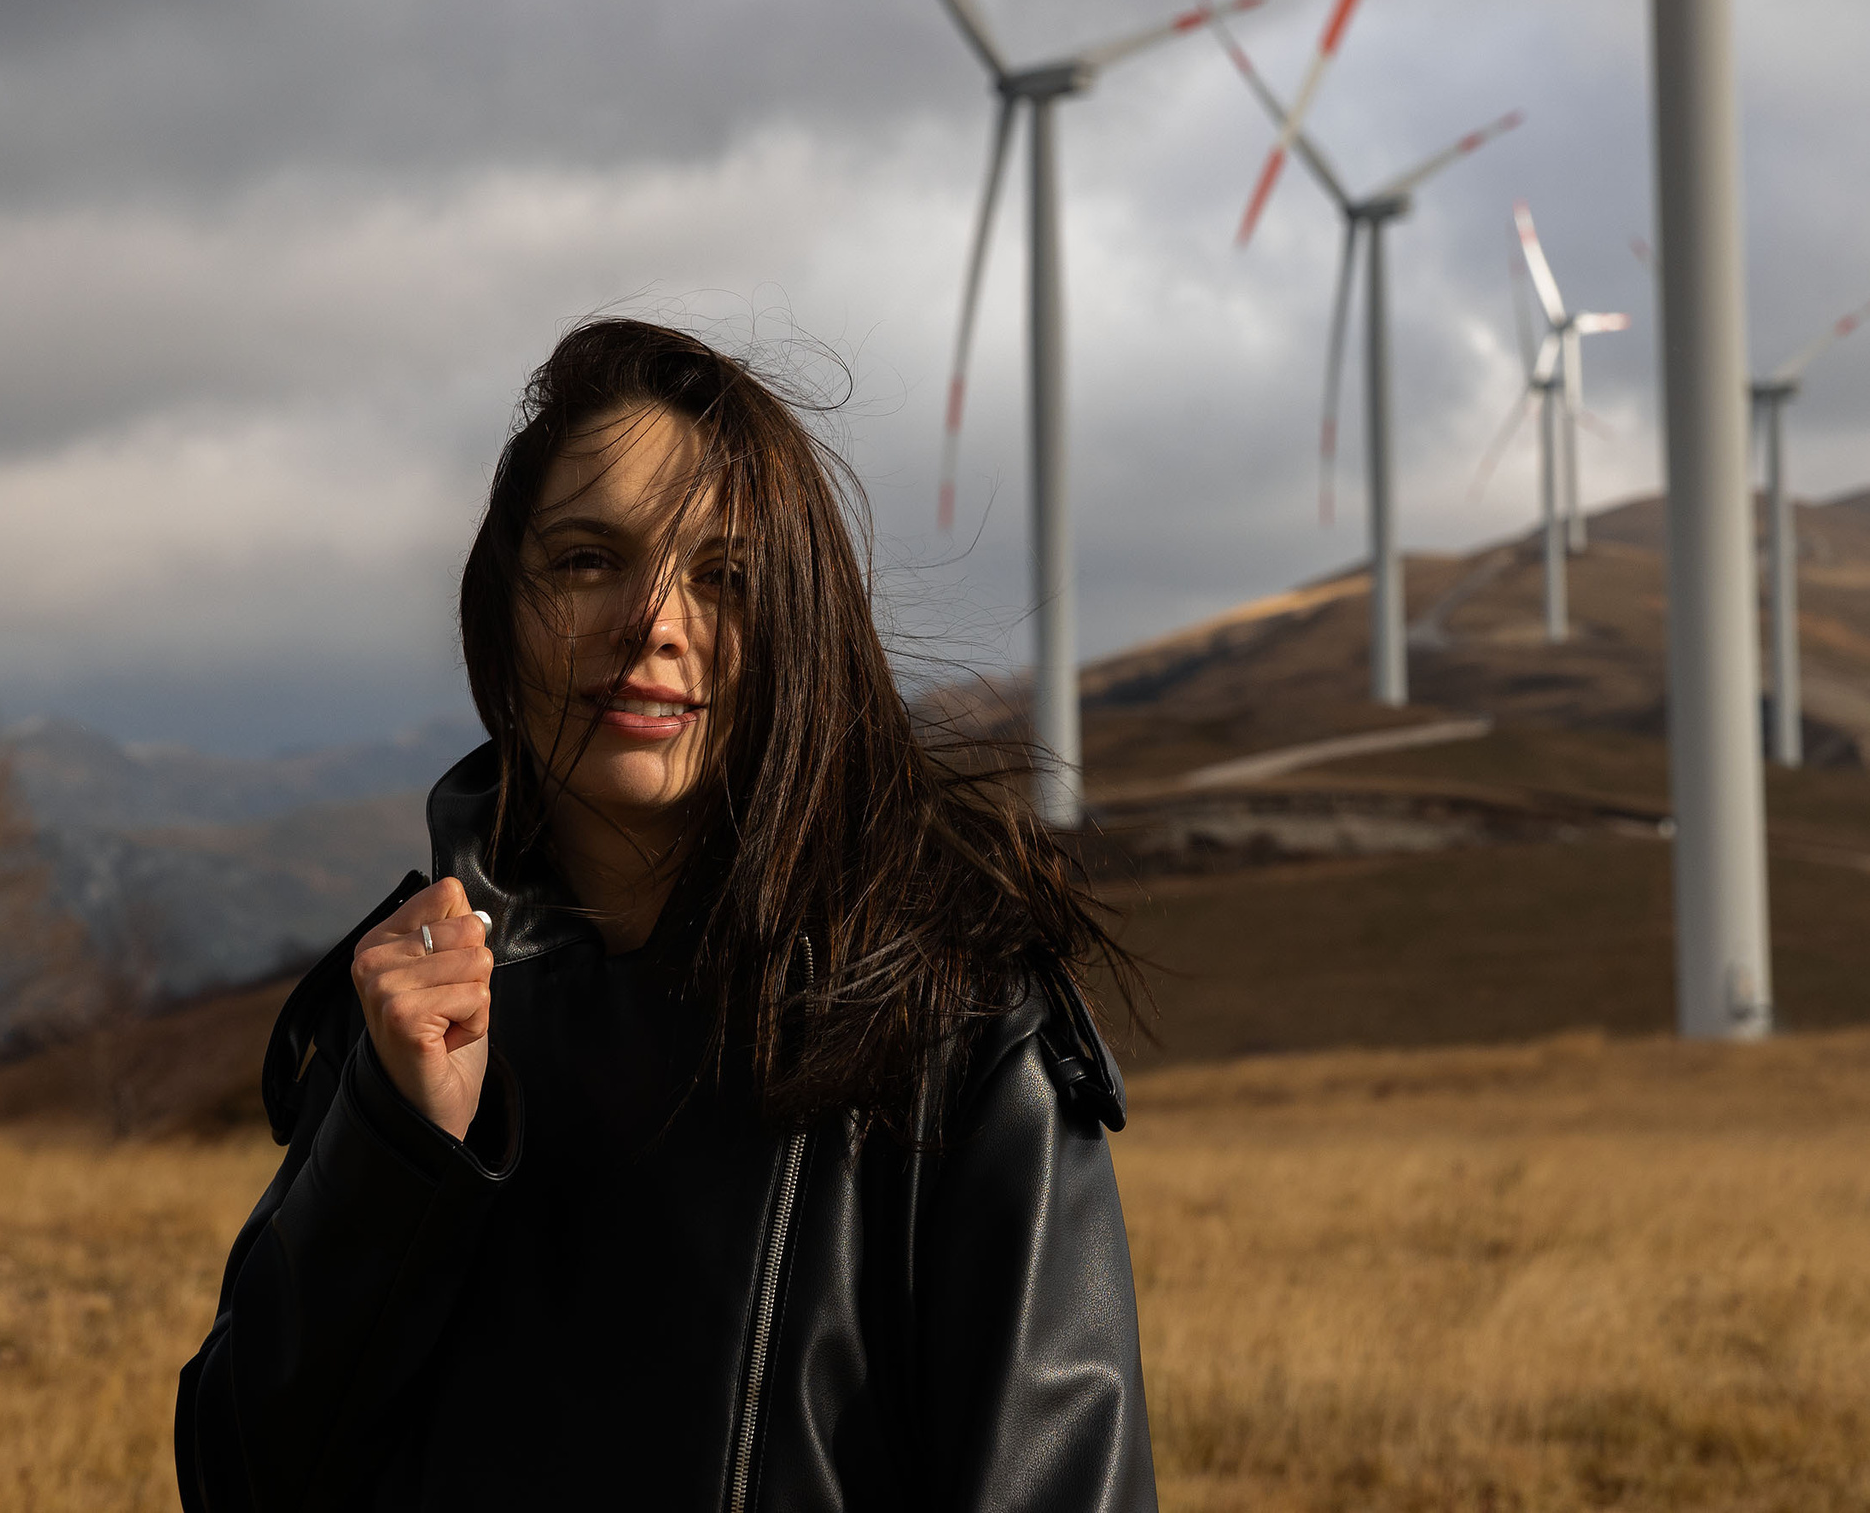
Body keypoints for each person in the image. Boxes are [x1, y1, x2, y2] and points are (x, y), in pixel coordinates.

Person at [174, 319, 1155, 1511]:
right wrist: (397, 1148)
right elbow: (238, 1481)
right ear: (502, 608)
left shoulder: (957, 1026)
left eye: (725, 577)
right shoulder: (408, 1013)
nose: (654, 622)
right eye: (588, 560)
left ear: (800, 633)